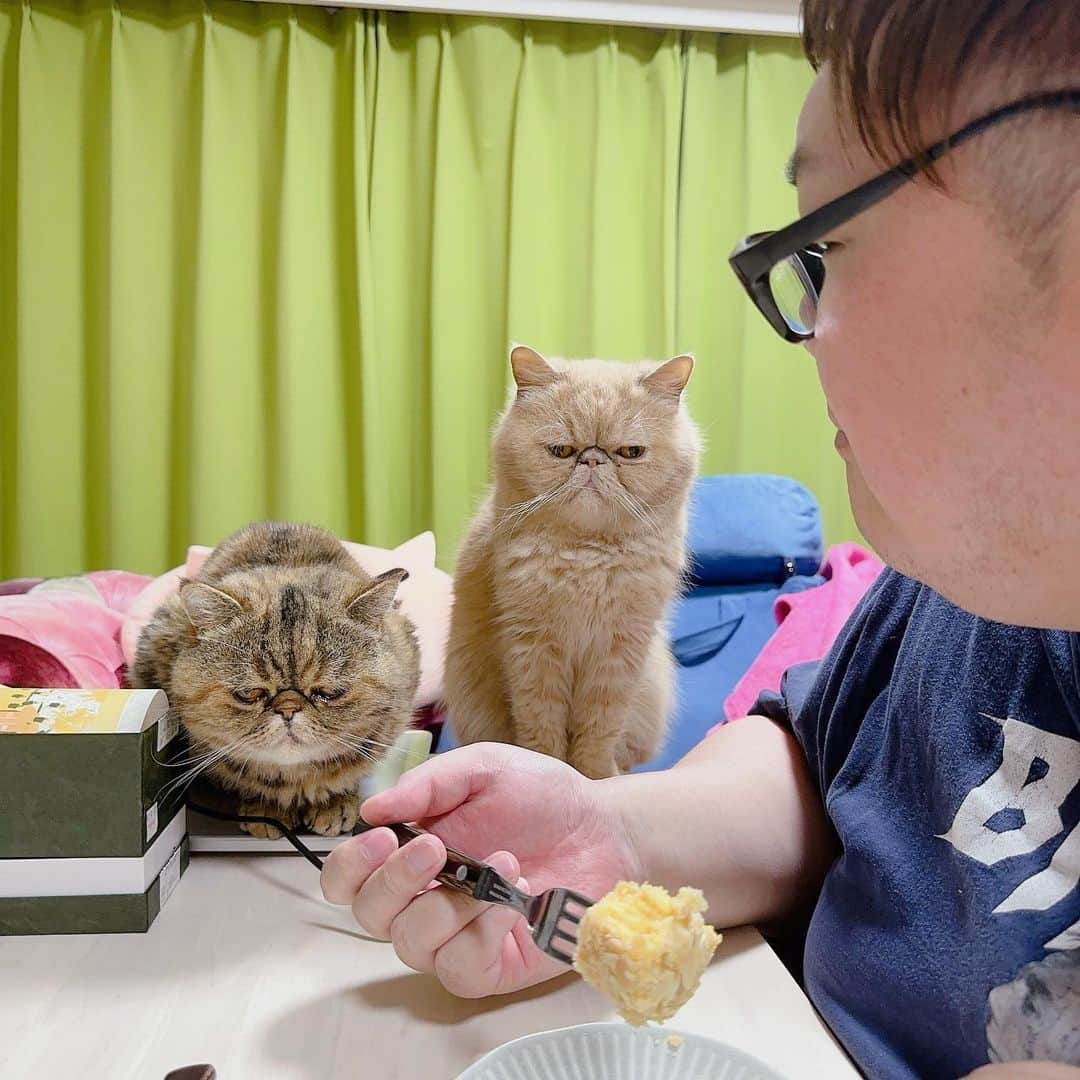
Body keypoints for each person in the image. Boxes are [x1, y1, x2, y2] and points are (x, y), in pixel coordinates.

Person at [321, 2, 1080, 1076]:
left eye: (824, 248)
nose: (806, 331)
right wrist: (616, 836)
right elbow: (825, 767)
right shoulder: (950, 584)